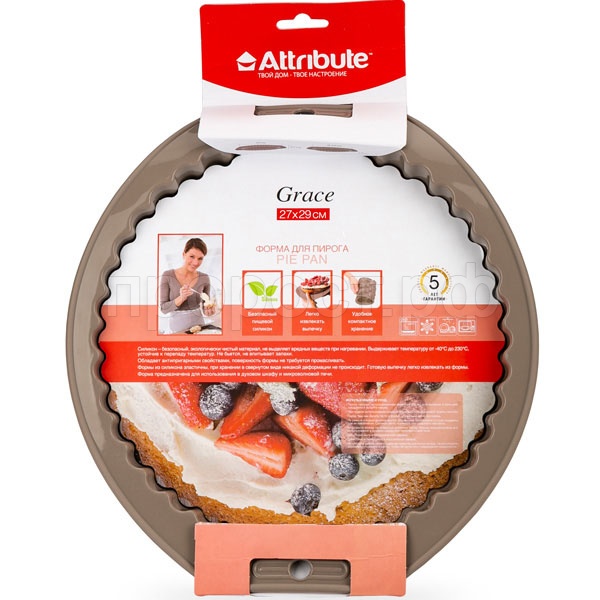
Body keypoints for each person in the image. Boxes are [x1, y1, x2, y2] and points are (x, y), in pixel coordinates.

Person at [159, 238, 215, 315]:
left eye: (200, 258)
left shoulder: (204, 278)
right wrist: (181, 298)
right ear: (184, 254)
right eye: (192, 256)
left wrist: (209, 311)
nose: (196, 263)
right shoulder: (168, 275)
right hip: (176, 323)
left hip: (199, 322)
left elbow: (205, 307)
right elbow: (163, 309)